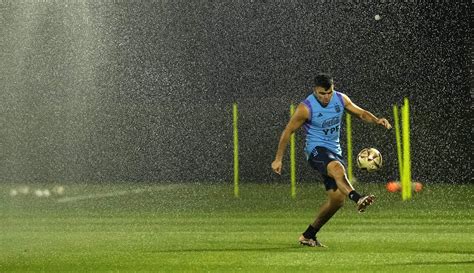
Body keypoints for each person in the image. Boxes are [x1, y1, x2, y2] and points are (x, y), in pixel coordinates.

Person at [271, 73, 392, 247]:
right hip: (315, 151)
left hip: (335, 151)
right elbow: (288, 131)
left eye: (329, 92)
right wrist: (278, 159)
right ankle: (358, 198)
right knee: (336, 168)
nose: (326, 97)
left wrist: (376, 120)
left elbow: (360, 113)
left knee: (336, 200)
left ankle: (308, 235)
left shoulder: (340, 99)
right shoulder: (305, 108)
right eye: (322, 93)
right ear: (315, 91)